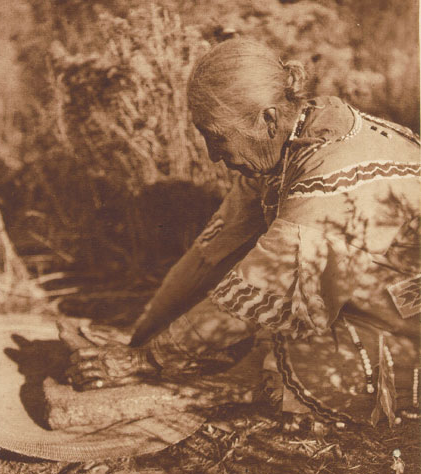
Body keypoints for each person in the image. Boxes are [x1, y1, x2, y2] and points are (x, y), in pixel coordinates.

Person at [63, 38, 420, 427]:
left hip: (408, 320)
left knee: (298, 357)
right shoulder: (286, 145)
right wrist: (139, 338)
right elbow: (208, 254)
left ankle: (234, 390)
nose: (214, 155)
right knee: (260, 331)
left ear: (268, 119)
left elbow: (265, 287)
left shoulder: (330, 174)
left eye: (216, 137)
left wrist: (148, 359)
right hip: (372, 299)